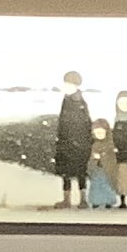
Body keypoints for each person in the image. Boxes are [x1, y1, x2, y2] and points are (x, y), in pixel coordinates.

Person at [52, 74, 91, 208]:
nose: (67, 87)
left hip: (78, 142)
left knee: (80, 171)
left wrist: (81, 141)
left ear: (76, 86)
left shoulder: (79, 101)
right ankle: (66, 199)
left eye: (70, 84)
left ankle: (83, 199)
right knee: (66, 172)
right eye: (66, 84)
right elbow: (63, 122)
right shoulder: (67, 99)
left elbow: (85, 123)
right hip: (65, 142)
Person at [86, 116, 118, 210]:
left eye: (101, 132)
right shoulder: (94, 145)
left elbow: (112, 157)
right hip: (97, 169)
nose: (99, 135)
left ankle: (108, 201)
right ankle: (96, 201)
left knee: (107, 185)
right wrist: (94, 158)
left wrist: (104, 156)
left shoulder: (110, 144)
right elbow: (91, 156)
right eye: (97, 133)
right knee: (96, 185)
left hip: (107, 169)